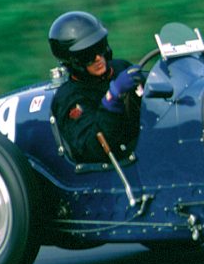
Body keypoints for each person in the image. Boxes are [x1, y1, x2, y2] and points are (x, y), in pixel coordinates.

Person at [49, 11, 144, 163]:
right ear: (73, 61)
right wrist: (112, 99)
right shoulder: (69, 98)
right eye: (88, 55)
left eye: (99, 48)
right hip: (119, 164)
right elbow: (92, 148)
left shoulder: (121, 67)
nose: (98, 58)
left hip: (146, 143)